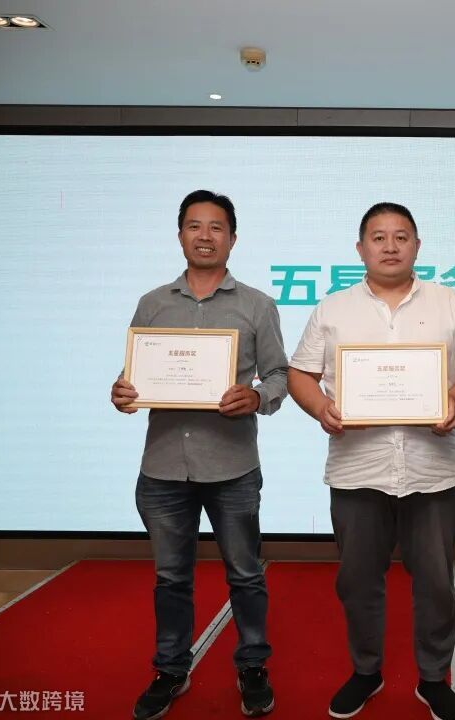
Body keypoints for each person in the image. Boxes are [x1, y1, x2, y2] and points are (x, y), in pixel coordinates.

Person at [287, 202, 455, 720]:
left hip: (431, 469)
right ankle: (366, 671)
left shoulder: (448, 302)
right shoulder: (333, 309)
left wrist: (453, 400)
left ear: (417, 245)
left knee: (436, 583)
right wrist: (321, 408)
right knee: (358, 581)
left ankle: (433, 677)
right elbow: (300, 374)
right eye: (379, 237)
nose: (391, 246)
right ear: (360, 249)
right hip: (357, 469)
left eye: (402, 236)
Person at [111, 189, 287, 720]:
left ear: (233, 238)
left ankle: (252, 665)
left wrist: (257, 397)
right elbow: (136, 374)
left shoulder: (257, 305)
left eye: (216, 227)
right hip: (163, 466)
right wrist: (122, 391)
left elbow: (279, 374)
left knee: (245, 574)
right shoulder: (152, 303)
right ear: (180, 235)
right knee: (171, 577)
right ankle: (170, 669)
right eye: (194, 226)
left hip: (232, 466)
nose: (205, 236)